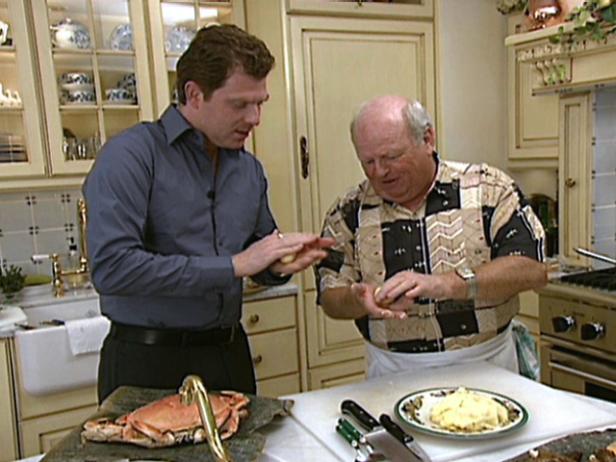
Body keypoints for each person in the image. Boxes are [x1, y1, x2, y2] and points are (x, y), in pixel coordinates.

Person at [84, 24, 333, 403]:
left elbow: (256, 254)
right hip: (147, 362)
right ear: (194, 94)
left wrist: (278, 264)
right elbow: (113, 268)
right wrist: (233, 265)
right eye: (240, 104)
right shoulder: (131, 156)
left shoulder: (248, 170)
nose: (255, 118)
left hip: (228, 356)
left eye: (260, 103)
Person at [315, 95, 547, 379]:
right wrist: (359, 299)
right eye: (368, 162)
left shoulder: (489, 189)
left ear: (427, 139)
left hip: (488, 366)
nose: (380, 171)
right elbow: (330, 296)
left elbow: (533, 269)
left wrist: (447, 284)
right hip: (392, 373)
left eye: (391, 156)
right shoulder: (348, 211)